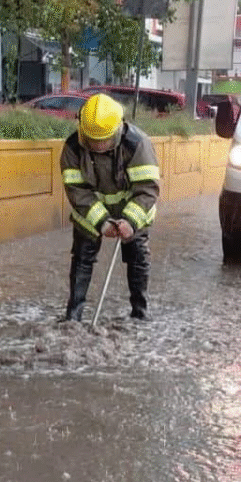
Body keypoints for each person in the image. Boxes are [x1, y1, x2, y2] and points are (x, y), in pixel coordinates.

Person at [60, 93, 160, 322]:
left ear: (118, 129)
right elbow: (77, 191)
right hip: (90, 214)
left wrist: (130, 221)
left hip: (133, 211)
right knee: (82, 257)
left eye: (103, 140)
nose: (97, 145)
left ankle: (140, 314)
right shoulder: (72, 148)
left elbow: (147, 188)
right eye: (92, 140)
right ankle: (73, 317)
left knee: (137, 256)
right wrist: (102, 222)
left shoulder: (137, 144)